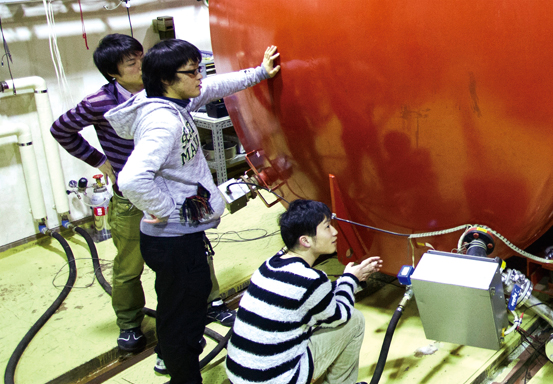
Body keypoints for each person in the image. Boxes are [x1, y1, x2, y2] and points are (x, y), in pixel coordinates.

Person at [49, 34, 237, 354]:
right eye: (131, 63)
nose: (141, 64)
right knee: (128, 266)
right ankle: (130, 323)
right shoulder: (100, 103)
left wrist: (259, 71)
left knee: (197, 252)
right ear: (114, 74)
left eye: (141, 56)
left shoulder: (166, 90)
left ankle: (210, 302)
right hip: (133, 197)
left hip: (179, 196)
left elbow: (213, 86)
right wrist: (100, 161)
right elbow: (61, 128)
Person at [106, 39, 281, 383]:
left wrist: (260, 73)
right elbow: (131, 179)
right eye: (192, 71)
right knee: (184, 315)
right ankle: (182, 375)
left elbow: (216, 85)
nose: (200, 76)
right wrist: (164, 209)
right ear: (167, 79)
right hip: (173, 240)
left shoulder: (174, 101)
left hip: (179, 237)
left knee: (179, 308)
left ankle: (171, 359)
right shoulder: (163, 122)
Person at [226, 199, 382, 384]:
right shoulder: (311, 279)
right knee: (354, 321)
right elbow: (340, 314)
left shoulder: (269, 266)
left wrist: (353, 280)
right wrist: (350, 279)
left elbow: (313, 300)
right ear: (305, 240)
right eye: (327, 227)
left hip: (240, 373)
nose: (334, 232)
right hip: (275, 379)